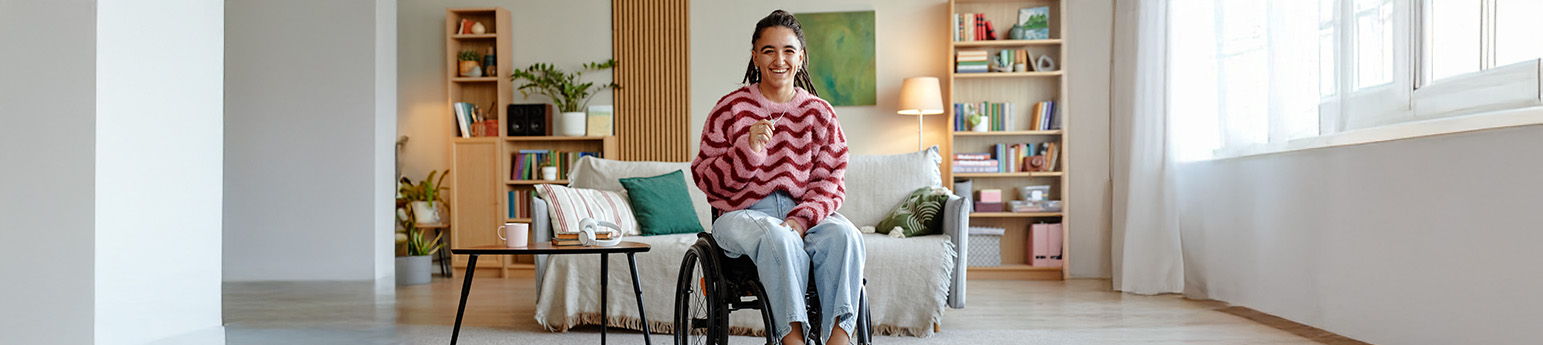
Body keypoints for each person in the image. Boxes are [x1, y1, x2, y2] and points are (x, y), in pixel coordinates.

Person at [690, 9, 862, 345]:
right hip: (743, 215)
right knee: (779, 237)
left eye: (788, 51)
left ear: (801, 57)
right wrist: (747, 149)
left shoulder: (820, 113)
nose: (778, 60)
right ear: (755, 57)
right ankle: (792, 339)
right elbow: (705, 178)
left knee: (847, 235)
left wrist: (800, 220)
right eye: (768, 51)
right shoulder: (730, 110)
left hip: (805, 215)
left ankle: (839, 338)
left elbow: (830, 183)